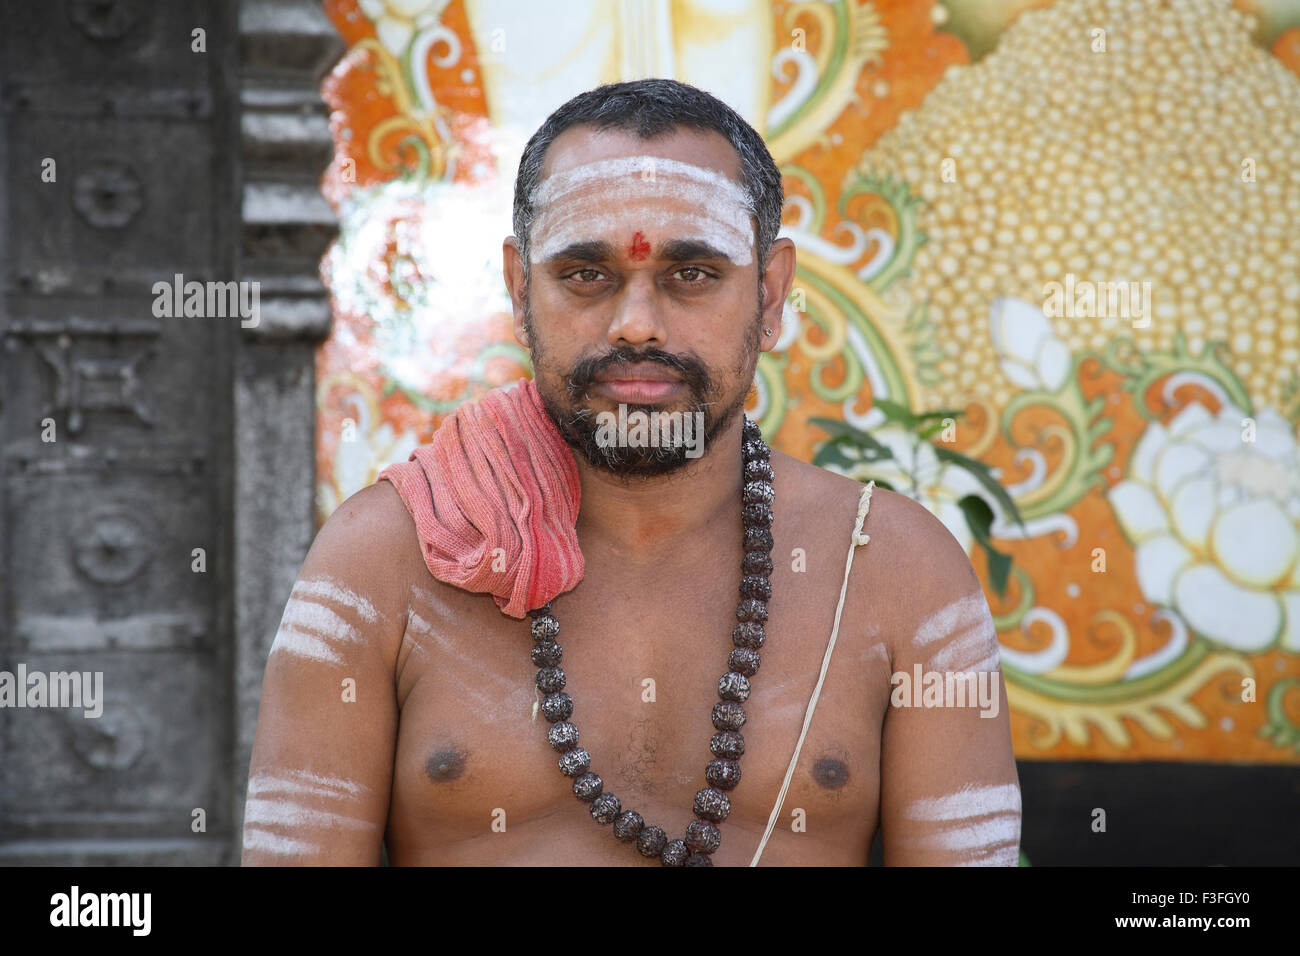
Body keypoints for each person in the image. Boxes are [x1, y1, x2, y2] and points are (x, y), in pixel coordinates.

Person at [242, 78, 1021, 866]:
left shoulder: (896, 570)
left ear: (772, 293)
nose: (637, 325)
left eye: (692, 274)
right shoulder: (383, 562)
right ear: (521, 291)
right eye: (587, 274)